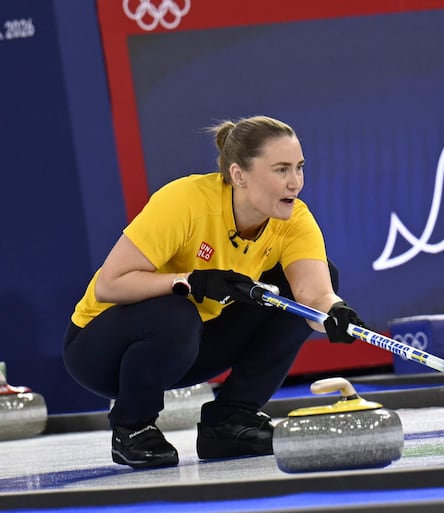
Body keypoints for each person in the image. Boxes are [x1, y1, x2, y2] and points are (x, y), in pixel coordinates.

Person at [63, 115, 365, 469]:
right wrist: (193, 280)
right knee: (177, 313)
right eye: (281, 170)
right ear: (239, 175)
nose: (295, 182)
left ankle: (230, 420)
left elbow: (314, 295)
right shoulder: (186, 201)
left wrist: (335, 313)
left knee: (306, 287)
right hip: (103, 350)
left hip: (191, 344)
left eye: (299, 168)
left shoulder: (293, 219)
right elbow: (110, 284)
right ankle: (133, 425)